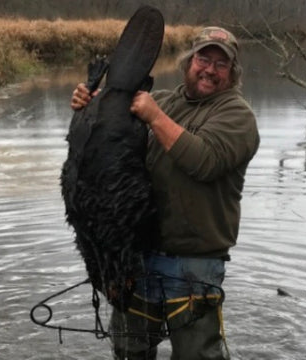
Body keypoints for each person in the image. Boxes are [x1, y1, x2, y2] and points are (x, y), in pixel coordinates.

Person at [71, 26, 259, 360]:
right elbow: (108, 124)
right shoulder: (165, 101)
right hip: (138, 259)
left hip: (194, 265)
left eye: (221, 64)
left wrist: (154, 117)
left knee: (196, 357)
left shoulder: (236, 115)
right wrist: (87, 103)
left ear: (232, 73)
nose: (210, 70)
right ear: (189, 61)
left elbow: (205, 162)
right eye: (204, 59)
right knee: (130, 352)